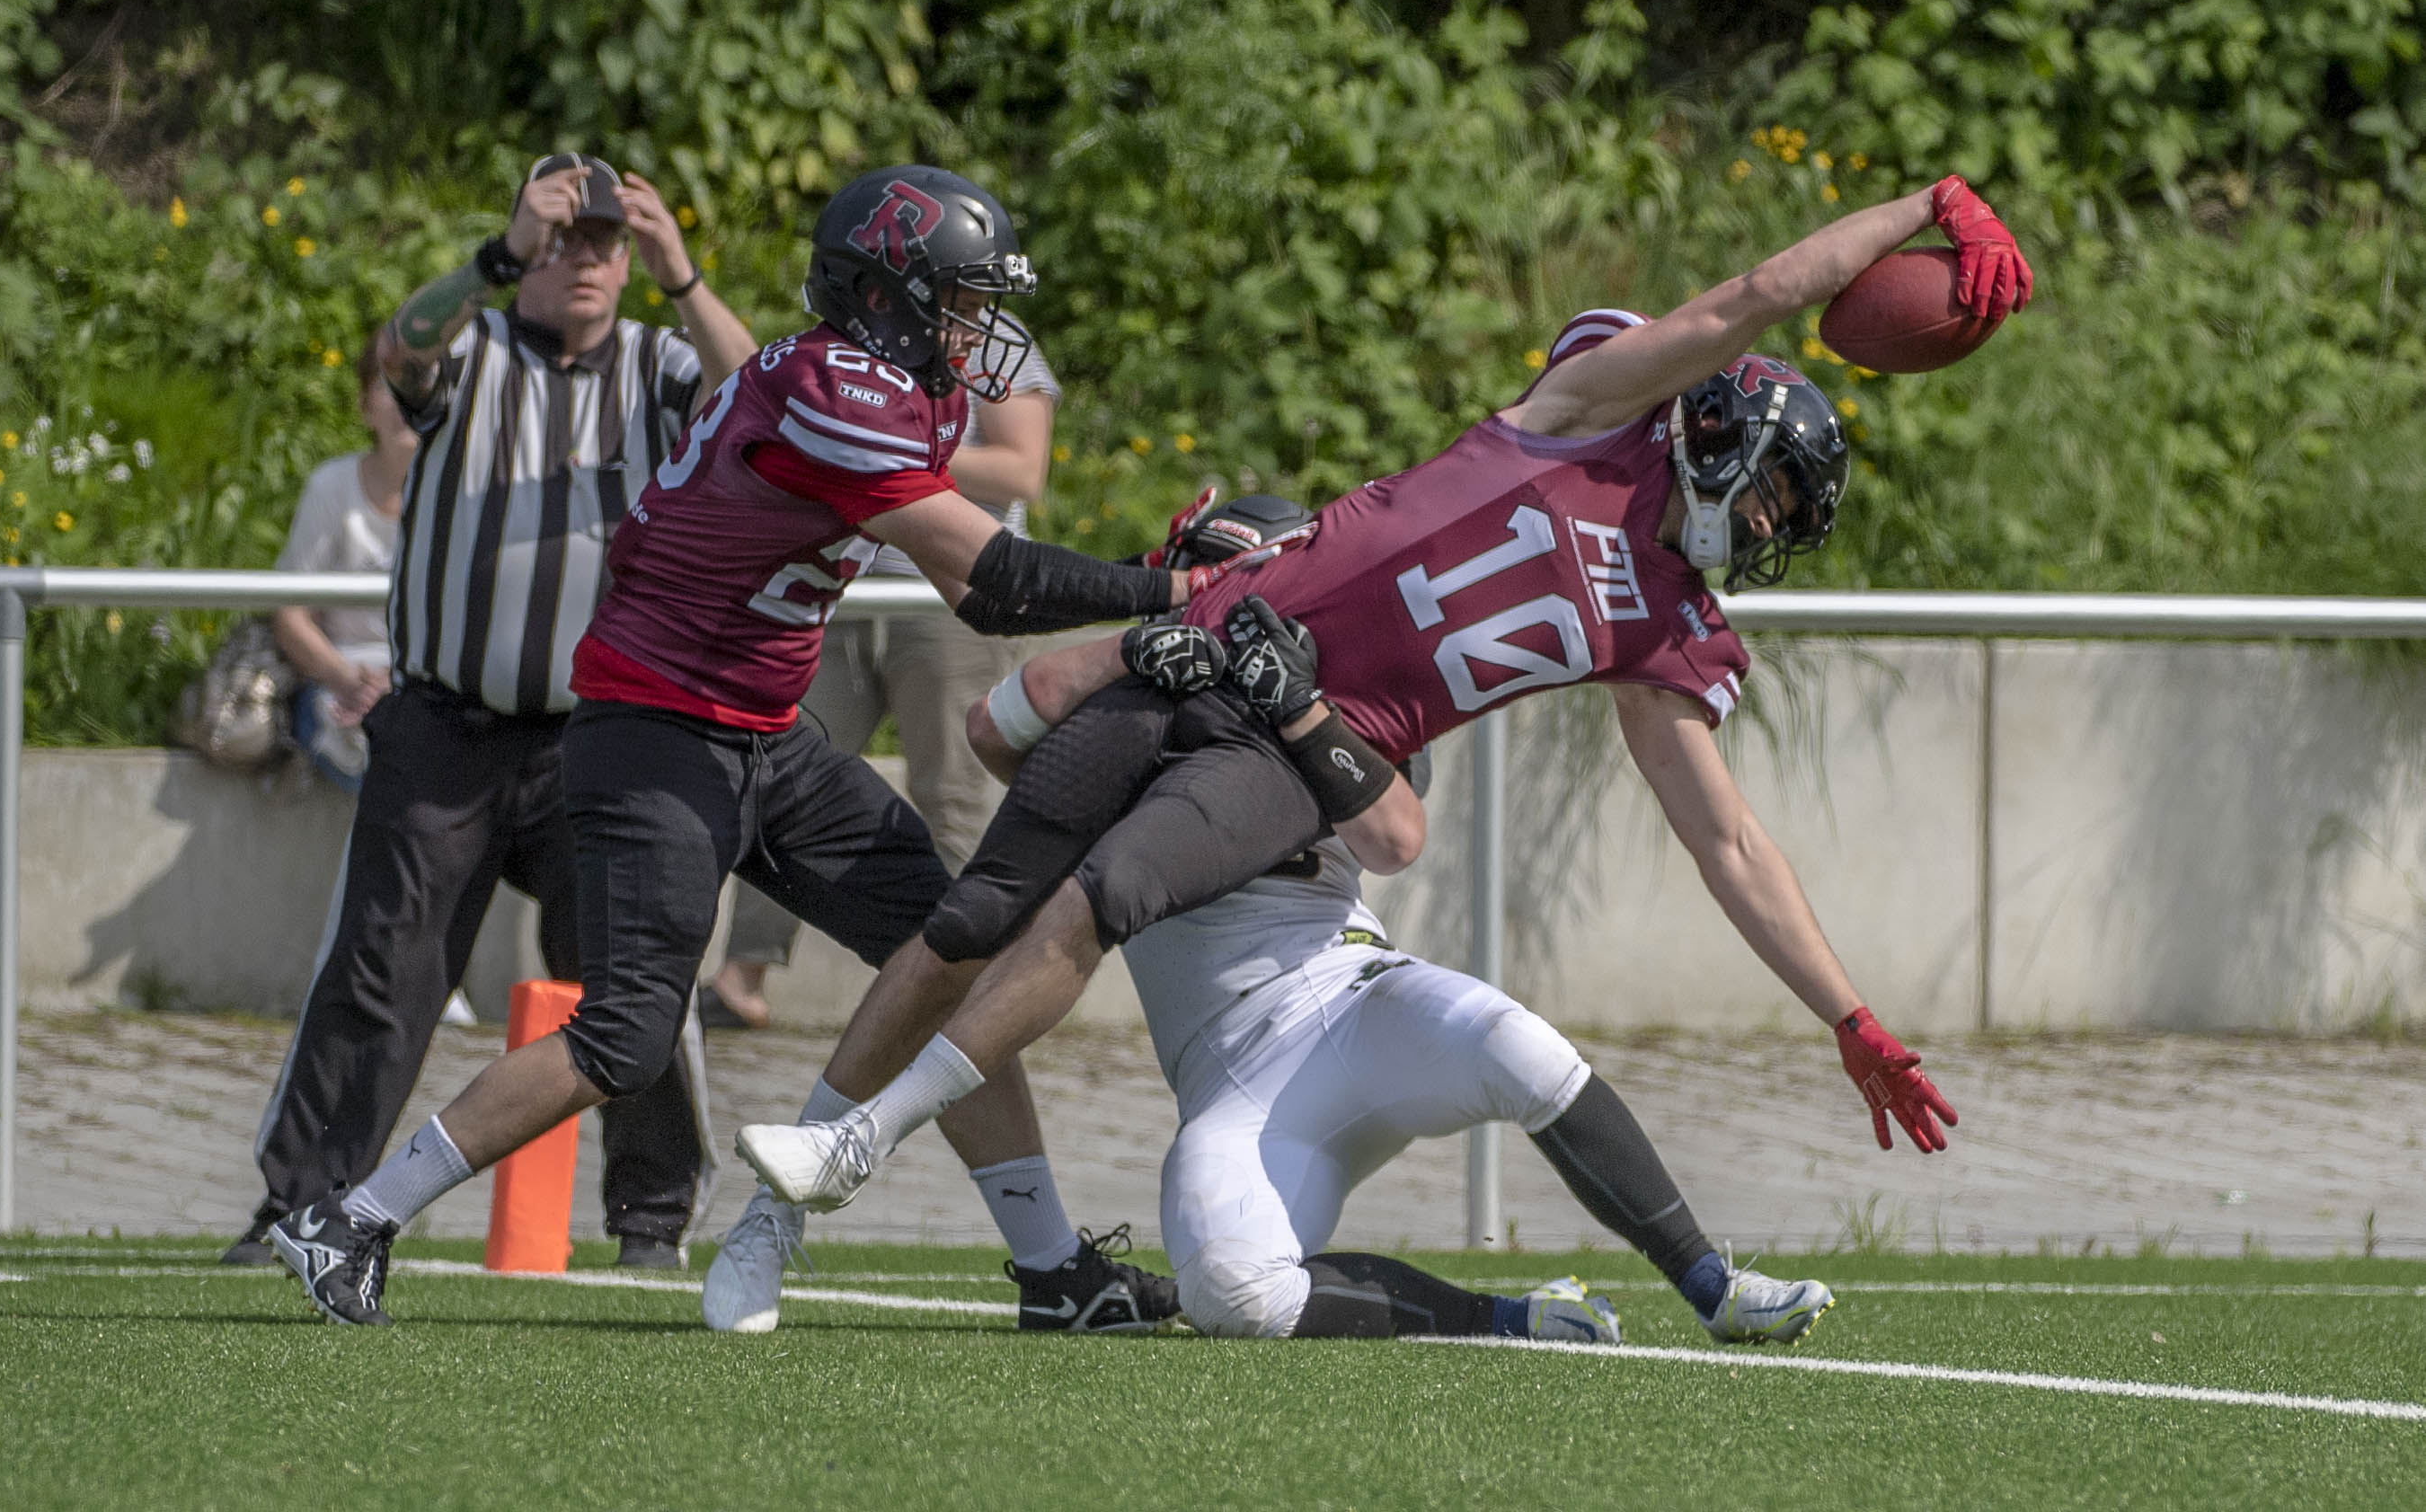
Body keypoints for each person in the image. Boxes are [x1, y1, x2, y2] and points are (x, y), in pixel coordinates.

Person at [734, 175, 2033, 1228]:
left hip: (1312, 740)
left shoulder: (1668, 624)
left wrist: (1846, 1014)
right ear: (1717, 436)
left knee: (1098, 892)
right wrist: (1925, 204)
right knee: (984, 796)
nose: (1759, 533)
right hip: (1215, 631)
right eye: (1766, 501)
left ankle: (865, 1144)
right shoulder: (1591, 409)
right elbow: (1760, 294)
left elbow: (1728, 843)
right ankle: (813, 1206)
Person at [269, 164, 1277, 1329]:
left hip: (761, 730)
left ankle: (1054, 1269)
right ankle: (349, 1218)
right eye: (957, 299)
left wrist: (1162, 587)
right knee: (625, 1031)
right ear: (887, 298)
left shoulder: (910, 389)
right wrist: (1178, 589)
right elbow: (988, 583)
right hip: (654, 730)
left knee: (943, 954)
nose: (978, 327)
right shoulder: (830, 387)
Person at [229, 155, 747, 1270]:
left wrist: (683, 273)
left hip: (605, 735)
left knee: (638, 975)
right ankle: (301, 1206)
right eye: (564, 240)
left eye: (604, 243)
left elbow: (761, 398)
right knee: (380, 966)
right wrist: (499, 256)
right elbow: (401, 349)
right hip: (448, 723)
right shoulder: (474, 351)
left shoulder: (661, 363)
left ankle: (651, 1222)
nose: (585, 262)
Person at [1125, 812, 1832, 1345]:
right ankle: (1518, 1320)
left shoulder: (1310, 677)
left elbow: (1395, 832)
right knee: (1230, 1292)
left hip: (1353, 997)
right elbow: (1015, 745)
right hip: (1233, 1076)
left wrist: (1301, 714)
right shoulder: (1114, 719)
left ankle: (1713, 1287)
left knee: (1517, 1045)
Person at [698, 329, 1062, 1030]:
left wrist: (882, 443)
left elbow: (1022, 471)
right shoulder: (863, 339)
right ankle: (741, 980)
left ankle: (962, 985)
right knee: (772, 777)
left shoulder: (1001, 344)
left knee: (952, 794)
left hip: (948, 602)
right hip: (842, 589)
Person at [268, 332, 416, 789]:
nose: (405, 401)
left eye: (420, 384)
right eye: (387, 386)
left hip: (424, 690)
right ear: (365, 406)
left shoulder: (467, 500)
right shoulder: (330, 488)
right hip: (337, 681)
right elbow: (290, 615)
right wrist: (350, 680)